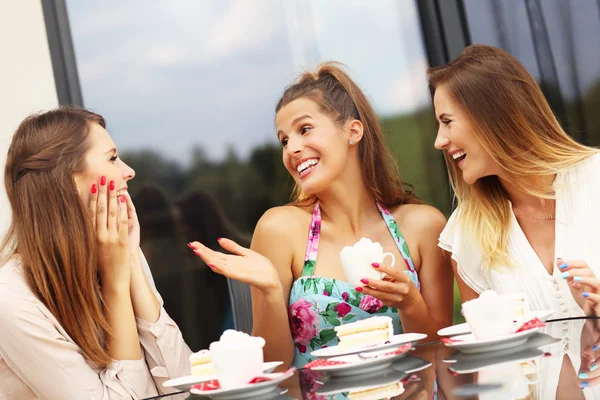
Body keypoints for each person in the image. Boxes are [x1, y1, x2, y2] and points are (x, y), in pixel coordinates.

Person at [189, 62, 453, 371]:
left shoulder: (423, 225)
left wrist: (410, 303)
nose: (292, 149)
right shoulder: (279, 230)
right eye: (284, 140)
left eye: (304, 130)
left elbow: (439, 355)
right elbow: (272, 368)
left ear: (353, 131)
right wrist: (272, 292)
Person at [429, 44, 600, 396]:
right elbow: (490, 371)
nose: (439, 141)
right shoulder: (466, 233)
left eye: (447, 122)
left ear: (492, 115)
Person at [0, 107, 191, 399]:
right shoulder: (11, 296)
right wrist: (116, 284)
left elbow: (184, 386)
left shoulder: (118, 252)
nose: (129, 171)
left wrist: (130, 263)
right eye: (112, 158)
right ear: (69, 181)